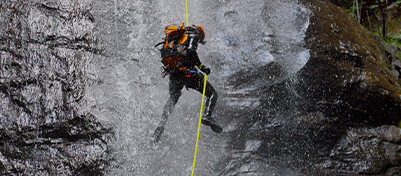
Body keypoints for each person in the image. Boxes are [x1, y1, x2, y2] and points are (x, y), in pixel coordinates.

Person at [151, 22, 222, 143]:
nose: (199, 41)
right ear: (199, 32)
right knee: (212, 94)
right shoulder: (193, 35)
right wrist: (202, 67)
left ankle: (162, 123)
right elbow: (191, 51)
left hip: (174, 74)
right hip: (188, 74)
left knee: (173, 97)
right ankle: (207, 115)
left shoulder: (173, 40)